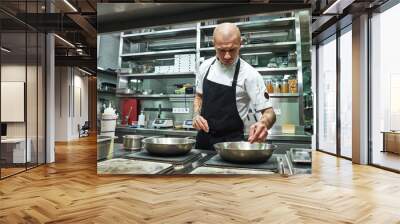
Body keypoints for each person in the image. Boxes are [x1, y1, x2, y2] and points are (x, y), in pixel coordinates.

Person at [192, 22, 276, 150]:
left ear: (240, 44)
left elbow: (269, 113)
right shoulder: (205, 67)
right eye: (221, 50)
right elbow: (199, 96)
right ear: (214, 44)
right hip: (203, 141)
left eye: (232, 49)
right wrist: (196, 116)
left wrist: (263, 123)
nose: (227, 56)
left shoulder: (250, 75)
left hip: (231, 145)